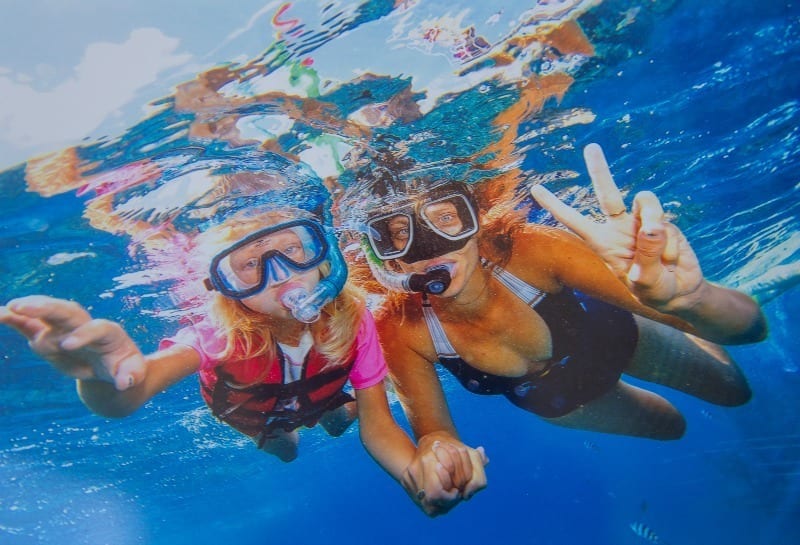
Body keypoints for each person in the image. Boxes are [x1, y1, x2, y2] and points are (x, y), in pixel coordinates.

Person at [0, 165, 487, 517]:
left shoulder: (355, 322)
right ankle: (286, 435)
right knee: (285, 447)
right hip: (253, 412)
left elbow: (379, 426)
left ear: (326, 258)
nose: (281, 276)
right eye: (251, 265)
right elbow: (133, 389)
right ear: (226, 287)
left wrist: (414, 478)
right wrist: (102, 376)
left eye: (294, 250)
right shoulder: (220, 334)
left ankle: (332, 413)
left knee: (347, 415)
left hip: (323, 390)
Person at [346, 142, 767, 446]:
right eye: (399, 234)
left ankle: (696, 314)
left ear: (475, 218)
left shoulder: (531, 251)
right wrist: (440, 461)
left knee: (734, 391)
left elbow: (749, 331)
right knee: (670, 428)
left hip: (615, 336)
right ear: (385, 256)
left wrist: (690, 304)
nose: (428, 246)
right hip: (560, 401)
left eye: (445, 220)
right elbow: (437, 437)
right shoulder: (397, 327)